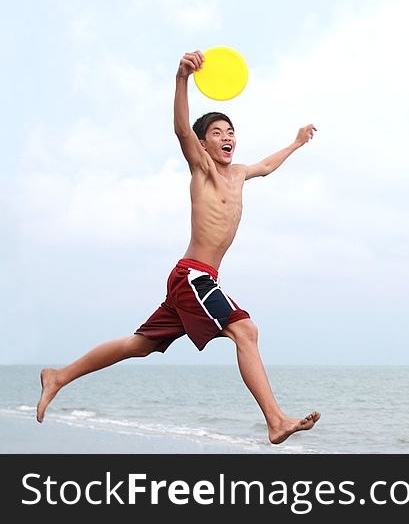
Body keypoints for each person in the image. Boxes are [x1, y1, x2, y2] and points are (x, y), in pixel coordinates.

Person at [36, 49, 320, 445]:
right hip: (195, 276)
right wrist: (182, 77)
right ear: (202, 146)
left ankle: (59, 376)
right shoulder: (202, 169)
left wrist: (296, 143)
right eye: (217, 133)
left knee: (140, 345)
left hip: (193, 280)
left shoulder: (238, 174)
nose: (226, 138)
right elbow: (181, 129)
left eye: (230, 132)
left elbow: (267, 166)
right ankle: (275, 420)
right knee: (245, 330)